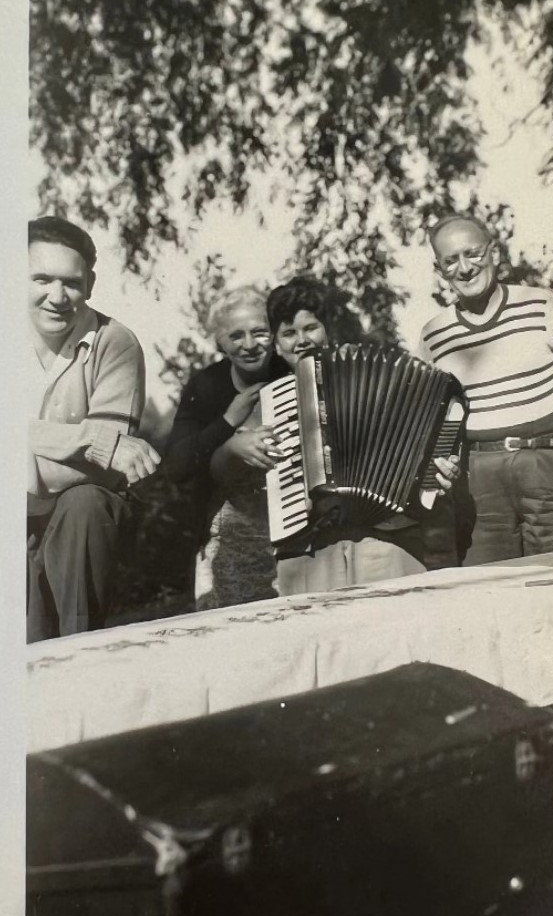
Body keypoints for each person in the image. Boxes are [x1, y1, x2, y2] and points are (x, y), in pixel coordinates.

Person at [260, 276, 460, 596]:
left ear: (327, 329)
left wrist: (437, 468)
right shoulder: (270, 401)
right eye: (288, 333)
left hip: (386, 537)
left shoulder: (378, 376)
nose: (301, 340)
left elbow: (423, 435)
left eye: (310, 328)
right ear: (276, 344)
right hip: (309, 544)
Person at [418, 213, 553, 565]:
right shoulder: (433, 336)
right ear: (440, 271)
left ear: (494, 254)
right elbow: (427, 422)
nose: (465, 268)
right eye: (451, 261)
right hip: (478, 479)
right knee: (489, 590)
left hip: (549, 462)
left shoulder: (541, 304)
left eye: (473, 254)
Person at [27, 216, 160, 641]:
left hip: (78, 515)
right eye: (41, 279)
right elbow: (104, 448)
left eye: (72, 282)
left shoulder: (115, 343)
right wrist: (89, 439)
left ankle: (81, 652)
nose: (58, 297)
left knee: (86, 503)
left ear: (91, 283)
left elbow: (103, 469)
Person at [165, 286, 287, 609]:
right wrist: (228, 425)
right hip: (228, 531)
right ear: (220, 342)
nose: (249, 345)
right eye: (236, 336)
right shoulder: (206, 385)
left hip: (292, 524)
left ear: (274, 334)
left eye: (259, 333)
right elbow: (175, 467)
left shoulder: (291, 372)